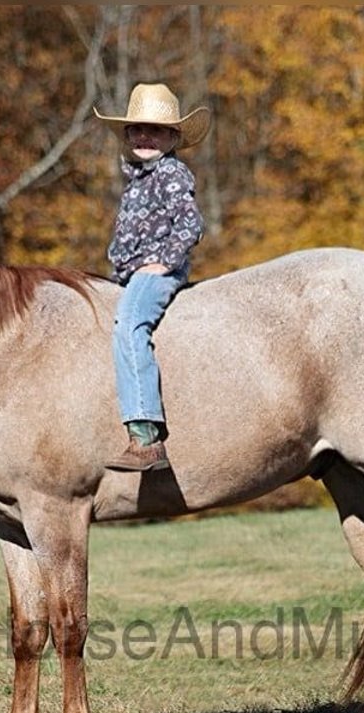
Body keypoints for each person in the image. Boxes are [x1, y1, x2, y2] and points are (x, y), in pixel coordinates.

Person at [93, 83, 211, 472]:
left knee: (129, 326)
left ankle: (145, 437)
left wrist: (163, 261)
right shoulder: (138, 177)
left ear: (174, 137)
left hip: (154, 272)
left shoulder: (171, 172)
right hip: (127, 274)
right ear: (126, 136)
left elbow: (190, 222)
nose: (144, 136)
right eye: (136, 130)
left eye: (155, 130)